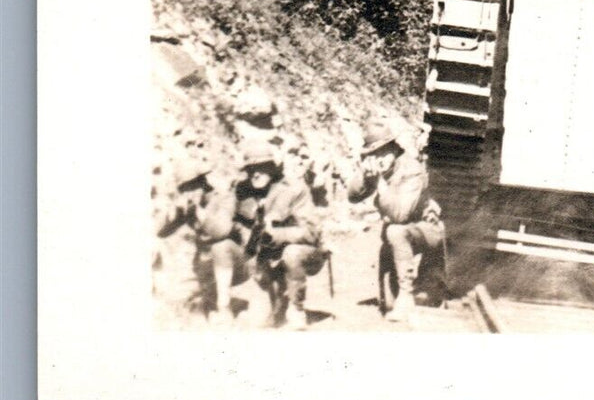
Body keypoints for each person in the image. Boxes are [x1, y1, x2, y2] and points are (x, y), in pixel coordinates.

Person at [217, 140, 326, 329]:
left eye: (262, 167)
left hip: (297, 253)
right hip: (258, 259)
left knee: (292, 254)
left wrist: (276, 234)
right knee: (221, 246)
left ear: (273, 167)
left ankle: (296, 309)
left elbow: (311, 232)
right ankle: (223, 307)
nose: (256, 173)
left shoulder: (294, 189)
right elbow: (223, 220)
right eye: (251, 168)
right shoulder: (241, 190)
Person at [346, 129, 445, 321]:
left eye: (381, 152)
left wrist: (380, 183)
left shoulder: (412, 169)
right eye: (373, 154)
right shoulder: (385, 167)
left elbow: (400, 215)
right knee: (387, 304)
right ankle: (399, 294)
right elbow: (352, 196)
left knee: (395, 231)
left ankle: (406, 296)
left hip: (427, 229)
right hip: (404, 231)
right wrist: (365, 177)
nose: (377, 158)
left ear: (393, 148)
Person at [154, 157, 238, 321]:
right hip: (208, 266)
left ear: (204, 183)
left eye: (193, 187)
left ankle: (224, 308)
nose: (190, 193)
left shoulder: (223, 198)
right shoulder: (188, 206)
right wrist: (173, 213)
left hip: (236, 264)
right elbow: (160, 232)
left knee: (220, 247)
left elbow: (222, 231)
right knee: (184, 303)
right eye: (185, 189)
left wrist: (200, 212)